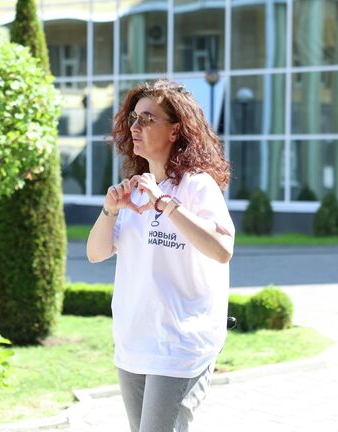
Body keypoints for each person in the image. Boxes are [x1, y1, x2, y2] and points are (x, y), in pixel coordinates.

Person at [86, 79, 235, 432]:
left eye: (148, 119)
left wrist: (165, 203)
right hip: (134, 341)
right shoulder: (136, 189)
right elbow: (95, 253)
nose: (135, 127)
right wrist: (110, 210)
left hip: (180, 344)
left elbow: (222, 249)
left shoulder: (197, 185)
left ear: (175, 130)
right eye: (134, 118)